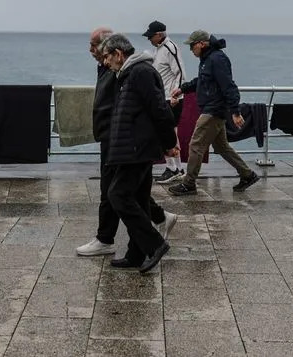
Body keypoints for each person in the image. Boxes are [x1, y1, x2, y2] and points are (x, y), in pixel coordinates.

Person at [76, 28, 177, 257]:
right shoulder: (121, 70)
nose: (93, 52)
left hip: (127, 143)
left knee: (115, 193)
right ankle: (138, 250)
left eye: (97, 48)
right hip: (122, 141)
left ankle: (128, 241)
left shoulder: (135, 72)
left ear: (116, 52)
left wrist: (169, 143)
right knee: (134, 192)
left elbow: (157, 109)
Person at [168, 30, 260, 195]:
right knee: (221, 146)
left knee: (195, 145)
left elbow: (229, 86)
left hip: (214, 110)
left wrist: (235, 111)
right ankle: (247, 175)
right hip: (213, 109)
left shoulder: (217, 59)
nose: (191, 49)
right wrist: (182, 89)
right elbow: (202, 81)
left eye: (192, 46)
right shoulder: (207, 59)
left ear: (202, 44)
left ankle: (188, 184)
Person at [142, 20, 187, 183]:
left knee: (167, 133)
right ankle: (177, 168)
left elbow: (180, 72)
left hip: (171, 98)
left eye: (151, 36)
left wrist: (176, 94)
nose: (149, 39)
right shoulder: (158, 49)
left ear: (159, 34)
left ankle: (173, 168)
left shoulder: (170, 48)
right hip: (163, 97)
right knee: (169, 133)